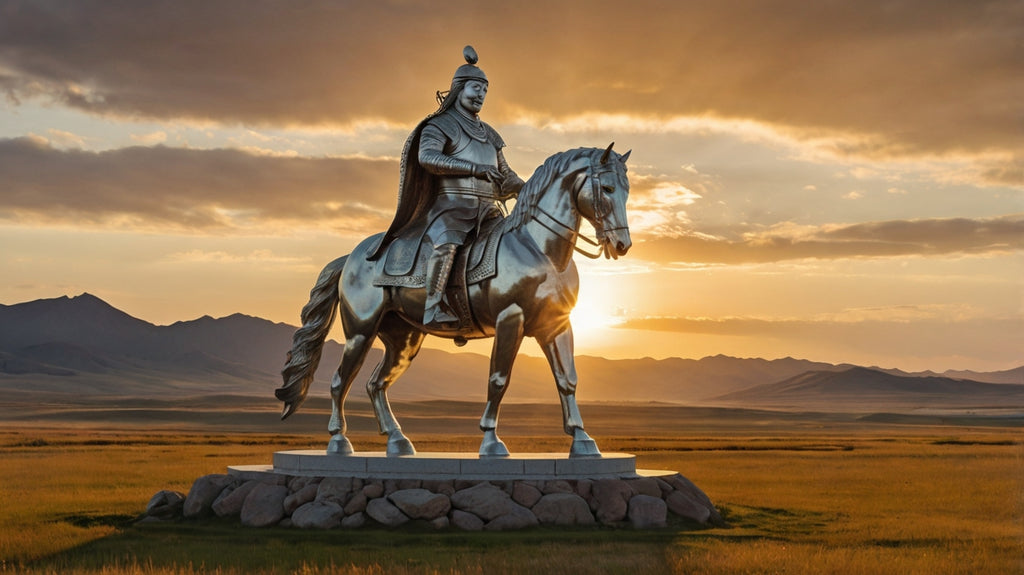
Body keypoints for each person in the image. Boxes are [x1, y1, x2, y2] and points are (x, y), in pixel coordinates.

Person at [369, 46, 524, 327]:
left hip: (489, 211)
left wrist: (529, 188)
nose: (481, 95)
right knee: (449, 241)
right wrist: (474, 169)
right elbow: (427, 157)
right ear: (459, 89)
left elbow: (506, 174)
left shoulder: (489, 134)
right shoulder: (440, 125)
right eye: (475, 88)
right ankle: (433, 304)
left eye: (485, 91)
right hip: (451, 207)